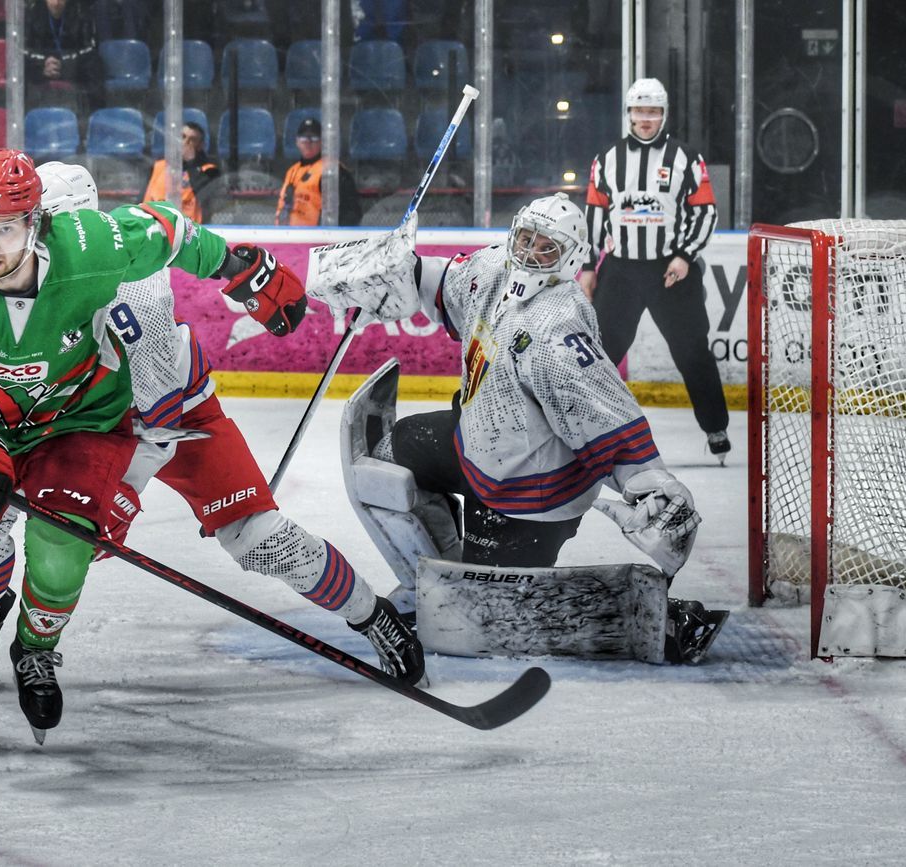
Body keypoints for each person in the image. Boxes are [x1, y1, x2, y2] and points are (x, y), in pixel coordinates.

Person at [0, 150, 419, 743]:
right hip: (45, 420)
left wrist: (121, 496)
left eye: (23, 227)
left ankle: (372, 616)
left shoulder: (120, 275)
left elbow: (153, 414)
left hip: (168, 421)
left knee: (259, 538)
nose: (0, 247)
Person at [304, 194, 724, 662]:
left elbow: (604, 414)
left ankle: (662, 620)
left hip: (531, 495)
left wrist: (648, 482)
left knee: (486, 624)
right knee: (383, 458)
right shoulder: (492, 268)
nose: (528, 253)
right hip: (472, 445)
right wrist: (388, 272)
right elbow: (440, 282)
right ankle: (445, 568)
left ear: (569, 258)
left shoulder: (557, 327)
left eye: (546, 248)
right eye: (525, 238)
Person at [576, 78, 730, 462]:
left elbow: (705, 213)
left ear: (664, 115)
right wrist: (588, 266)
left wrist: (685, 256)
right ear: (628, 113)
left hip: (671, 270)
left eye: (653, 112)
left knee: (692, 351)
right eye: (639, 111)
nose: (646, 119)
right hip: (621, 271)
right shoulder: (607, 158)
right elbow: (594, 215)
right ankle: (583, 429)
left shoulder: (686, 158)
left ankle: (716, 427)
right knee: (601, 352)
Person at [275, 116, 361, 227]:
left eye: (314, 138)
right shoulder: (292, 171)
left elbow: (351, 213)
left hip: (316, 236)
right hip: (285, 235)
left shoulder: (332, 170)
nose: (308, 142)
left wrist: (327, 233)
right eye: (304, 138)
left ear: (322, 142)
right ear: (297, 142)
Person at [23, 0, 102, 111]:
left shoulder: (81, 12)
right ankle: (22, 114)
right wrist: (42, 64)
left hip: (73, 66)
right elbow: (23, 49)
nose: (56, 3)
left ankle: (95, 114)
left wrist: (64, 64)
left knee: (95, 64)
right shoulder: (32, 13)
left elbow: (90, 49)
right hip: (42, 66)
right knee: (18, 65)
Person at [142, 121, 222, 224]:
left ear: (200, 145)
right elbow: (143, 199)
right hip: (154, 224)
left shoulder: (208, 170)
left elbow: (202, 194)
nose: (186, 142)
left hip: (188, 228)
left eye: (192, 140)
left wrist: (190, 161)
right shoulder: (158, 167)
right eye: (182, 137)